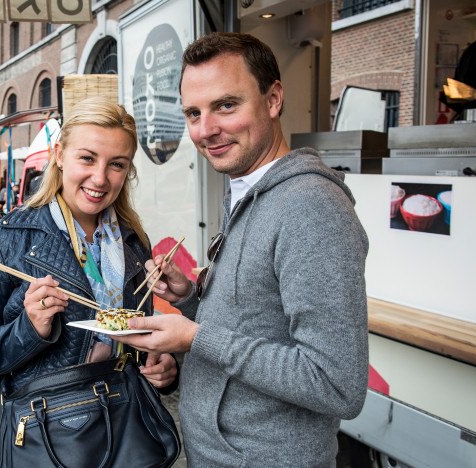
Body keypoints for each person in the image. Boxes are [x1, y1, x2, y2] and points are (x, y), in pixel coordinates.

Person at [113, 33, 369, 467]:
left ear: (273, 99)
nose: (206, 130)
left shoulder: (311, 207)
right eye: (193, 113)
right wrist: (191, 299)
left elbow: (337, 384)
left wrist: (195, 338)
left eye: (226, 105)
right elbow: (258, 321)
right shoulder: (244, 189)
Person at [0, 97, 178, 467]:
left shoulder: (133, 241)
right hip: (46, 436)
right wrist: (30, 328)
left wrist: (163, 368)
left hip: (124, 431)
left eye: (117, 164)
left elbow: (139, 340)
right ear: (59, 154)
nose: (100, 178)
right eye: (87, 158)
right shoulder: (6, 237)